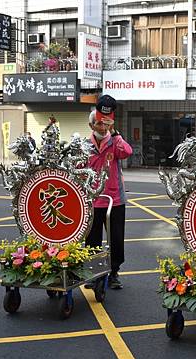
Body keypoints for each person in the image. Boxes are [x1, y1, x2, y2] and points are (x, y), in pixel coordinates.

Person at [85, 95, 133, 290]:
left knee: (115, 239)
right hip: (92, 200)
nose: (101, 127)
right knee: (92, 239)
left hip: (115, 200)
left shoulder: (115, 141)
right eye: (98, 123)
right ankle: (94, 274)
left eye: (105, 124)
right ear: (91, 125)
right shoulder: (84, 145)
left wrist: (114, 134)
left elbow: (127, 152)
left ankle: (113, 273)